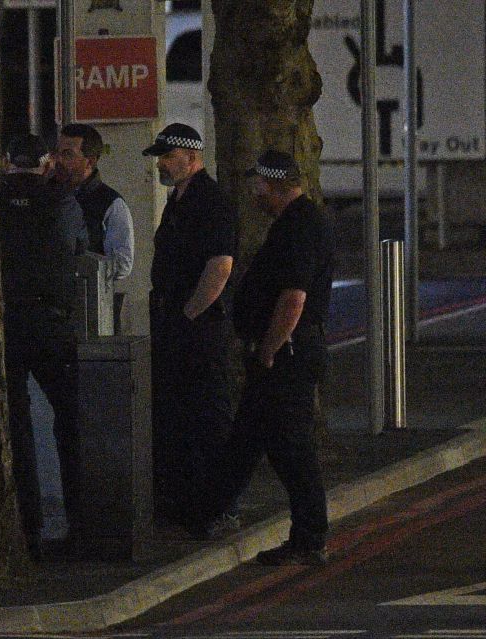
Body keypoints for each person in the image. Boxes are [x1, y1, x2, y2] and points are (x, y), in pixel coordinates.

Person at [199, 150, 334, 566]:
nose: (254, 192)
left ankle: (310, 538)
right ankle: (207, 512)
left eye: (258, 184)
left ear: (274, 185)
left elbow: (293, 298)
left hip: (285, 355)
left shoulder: (298, 229)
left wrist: (270, 349)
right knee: (248, 437)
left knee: (290, 447)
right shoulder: (294, 224)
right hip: (279, 352)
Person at [0, 134, 88, 558]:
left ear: (6, 162)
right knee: (70, 421)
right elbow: (81, 251)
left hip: (5, 324)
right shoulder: (63, 201)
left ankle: (27, 528)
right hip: (52, 323)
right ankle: (81, 521)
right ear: (46, 163)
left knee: (15, 426)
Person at [142, 123, 238, 528]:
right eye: (160, 156)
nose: (162, 163)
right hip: (176, 325)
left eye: (168, 156)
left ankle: (216, 507)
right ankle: (186, 504)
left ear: (192, 157)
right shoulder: (178, 201)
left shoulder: (211, 202)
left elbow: (220, 266)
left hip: (198, 330)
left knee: (206, 417)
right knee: (178, 416)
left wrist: (188, 315)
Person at [53, 123, 135, 283]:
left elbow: (122, 263)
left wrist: (76, 257)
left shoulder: (110, 203)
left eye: (68, 155)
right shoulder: (49, 193)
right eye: (57, 153)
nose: (59, 161)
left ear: (89, 162)